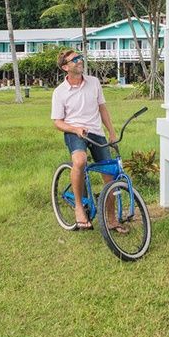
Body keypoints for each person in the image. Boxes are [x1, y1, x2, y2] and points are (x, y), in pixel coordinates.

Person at [51, 48, 120, 231]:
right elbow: (57, 122)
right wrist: (75, 129)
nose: (80, 61)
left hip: (96, 132)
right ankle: (79, 209)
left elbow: (102, 109)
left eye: (80, 58)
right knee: (80, 161)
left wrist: (111, 132)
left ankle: (111, 219)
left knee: (110, 175)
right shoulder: (60, 92)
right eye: (75, 60)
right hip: (75, 132)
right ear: (65, 67)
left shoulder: (94, 82)